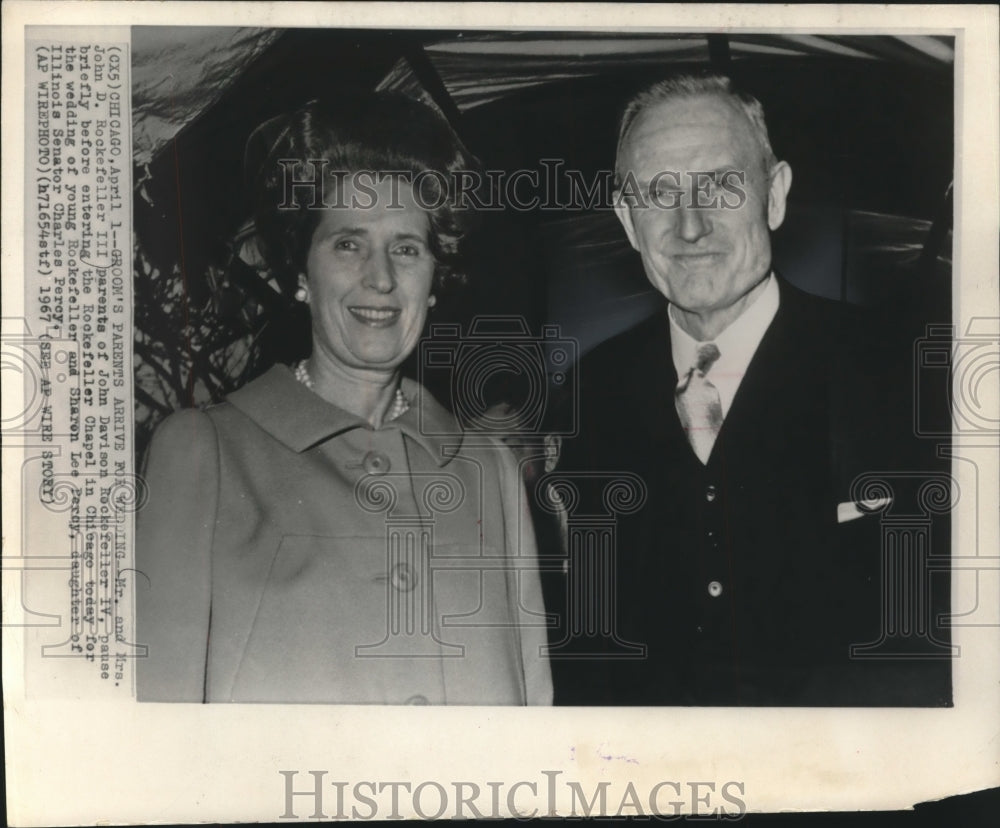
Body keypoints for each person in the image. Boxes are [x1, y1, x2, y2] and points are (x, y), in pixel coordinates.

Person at [136, 93, 552, 705]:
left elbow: (533, 718)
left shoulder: (491, 472)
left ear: (435, 281)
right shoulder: (206, 454)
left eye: (407, 248)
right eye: (348, 244)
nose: (380, 277)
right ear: (301, 273)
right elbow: (154, 731)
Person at [548, 74, 950, 706]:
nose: (690, 226)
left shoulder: (907, 373)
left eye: (721, 186)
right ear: (627, 221)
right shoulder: (588, 393)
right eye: (659, 193)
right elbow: (586, 641)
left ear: (775, 195)